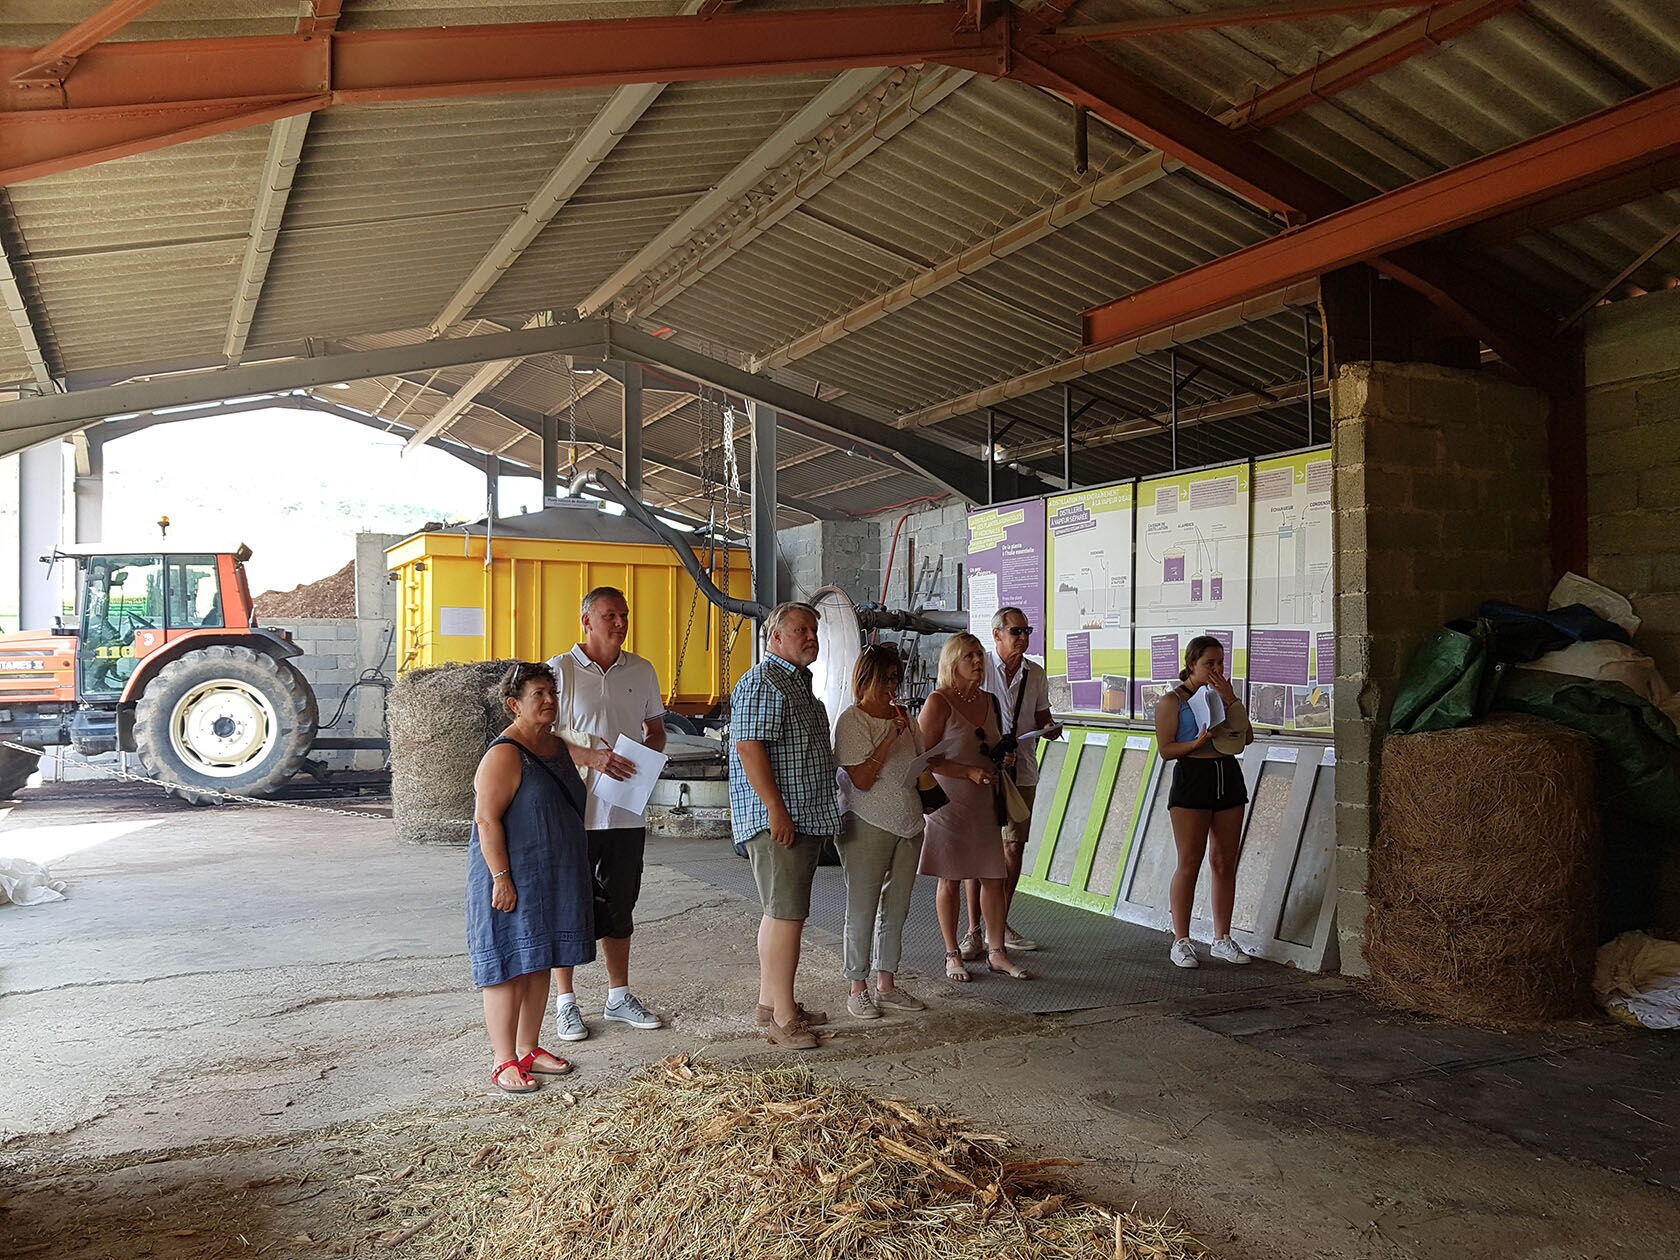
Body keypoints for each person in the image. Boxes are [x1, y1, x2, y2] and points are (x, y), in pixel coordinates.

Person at [544, 586, 667, 1041]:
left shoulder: (642, 669)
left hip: (625, 810)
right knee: (569, 902)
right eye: (609, 615)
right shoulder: (560, 670)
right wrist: (593, 759)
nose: (619, 623)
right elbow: (542, 735)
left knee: (621, 902)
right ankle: (566, 1002)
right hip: (574, 810)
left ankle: (618, 996)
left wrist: (644, 756)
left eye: (624, 615)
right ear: (586, 621)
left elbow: (656, 730)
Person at [466, 662, 595, 1094]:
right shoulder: (504, 753)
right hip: (512, 875)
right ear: (513, 704)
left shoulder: (556, 746)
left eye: (552, 693)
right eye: (538, 694)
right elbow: (487, 821)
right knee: (506, 965)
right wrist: (501, 877)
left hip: (551, 874)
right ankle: (503, 1060)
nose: (548, 701)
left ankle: (529, 1049)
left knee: (539, 960)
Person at [727, 602, 840, 1050]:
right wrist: (776, 810)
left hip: (800, 814)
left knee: (782, 912)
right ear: (775, 638)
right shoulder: (763, 681)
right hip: (782, 819)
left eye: (813, 630)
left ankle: (769, 1002)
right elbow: (749, 747)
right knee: (786, 915)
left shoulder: (797, 683)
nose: (810, 637)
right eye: (800, 630)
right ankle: (784, 1017)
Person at [918, 632, 1030, 982]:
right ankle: (952, 953)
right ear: (952, 662)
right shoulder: (939, 701)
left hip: (984, 799)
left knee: (993, 876)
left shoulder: (990, 701)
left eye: (980, 655)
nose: (978, 662)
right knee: (950, 877)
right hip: (949, 802)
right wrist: (966, 770)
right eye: (969, 656)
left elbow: (992, 744)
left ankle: (996, 951)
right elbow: (922, 759)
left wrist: (1004, 757)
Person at [832, 644, 928, 1020]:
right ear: (866, 678)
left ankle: (887, 983)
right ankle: (857, 986)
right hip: (867, 820)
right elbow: (862, 779)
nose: (893, 687)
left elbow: (920, 763)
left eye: (896, 679)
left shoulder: (906, 716)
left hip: (908, 821)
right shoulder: (852, 720)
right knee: (862, 905)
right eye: (886, 678)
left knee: (898, 906)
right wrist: (890, 735)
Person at [962, 605, 1059, 959]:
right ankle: (974, 930)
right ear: (997, 635)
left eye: (1027, 631)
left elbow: (1041, 713)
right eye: (1016, 631)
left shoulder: (1035, 673)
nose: (1024, 637)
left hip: (1022, 768)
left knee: (1013, 847)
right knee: (980, 852)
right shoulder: (979, 668)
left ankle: (998, 924)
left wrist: (1050, 728)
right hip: (983, 769)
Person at [1153, 635, 1255, 969]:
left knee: (1225, 860)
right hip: (1192, 777)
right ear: (1191, 664)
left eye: (1221, 663)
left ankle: (1222, 938)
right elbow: (1166, 750)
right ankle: (1181, 939)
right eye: (1209, 663)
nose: (1216, 669)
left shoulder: (1223, 695)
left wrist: (1232, 701)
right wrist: (1197, 743)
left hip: (1226, 775)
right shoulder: (1174, 700)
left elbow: (1247, 737)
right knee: (1190, 860)